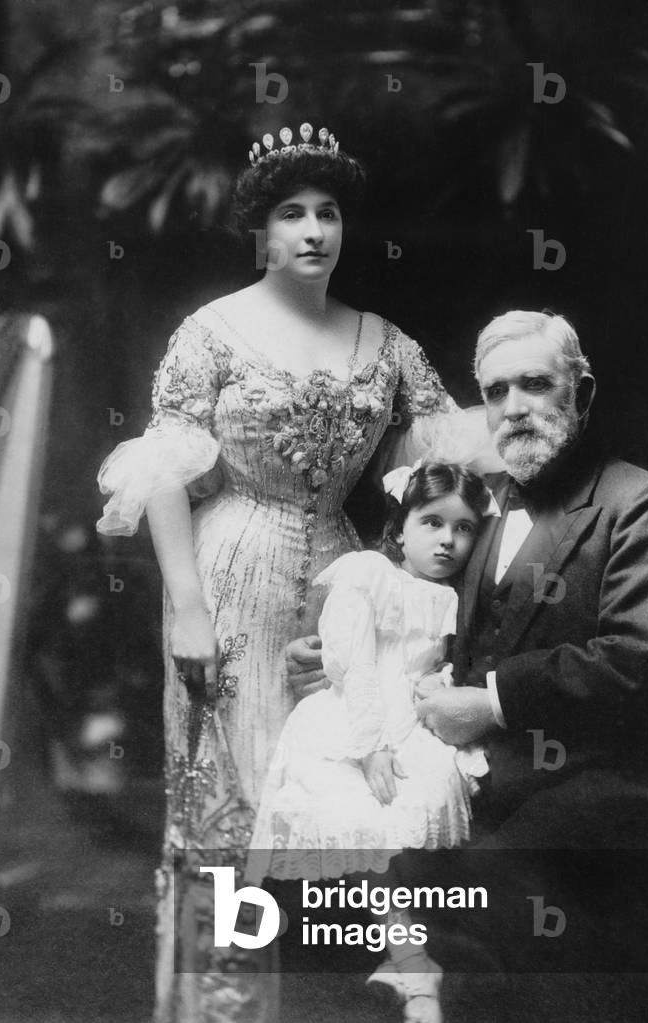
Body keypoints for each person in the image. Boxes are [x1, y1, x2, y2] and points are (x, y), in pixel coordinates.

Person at [95, 124, 496, 1023]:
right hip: (228, 569)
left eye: (328, 213)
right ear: (261, 232)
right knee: (226, 786)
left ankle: (370, 980)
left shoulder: (383, 343)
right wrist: (186, 608)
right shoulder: (214, 331)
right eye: (291, 214)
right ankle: (220, 1001)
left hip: (337, 568)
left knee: (342, 767)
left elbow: (440, 464)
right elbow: (164, 467)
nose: (314, 230)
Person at [286, 310, 648, 1009]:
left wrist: (493, 701)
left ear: (583, 394)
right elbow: (440, 628)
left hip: (600, 774)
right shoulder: (482, 508)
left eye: (535, 384)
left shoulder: (638, 504)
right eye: (496, 390)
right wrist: (340, 658)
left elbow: (639, 656)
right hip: (486, 766)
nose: (514, 408)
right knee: (327, 852)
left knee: (478, 876)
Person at [249, 461, 496, 1023]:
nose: (448, 541)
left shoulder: (449, 597)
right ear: (401, 526)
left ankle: (409, 955)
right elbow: (352, 661)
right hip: (354, 724)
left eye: (463, 530)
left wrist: (441, 688)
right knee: (365, 833)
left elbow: (435, 666)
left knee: (398, 841)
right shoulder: (367, 573)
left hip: (414, 723)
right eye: (432, 523)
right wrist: (370, 743)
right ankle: (409, 959)